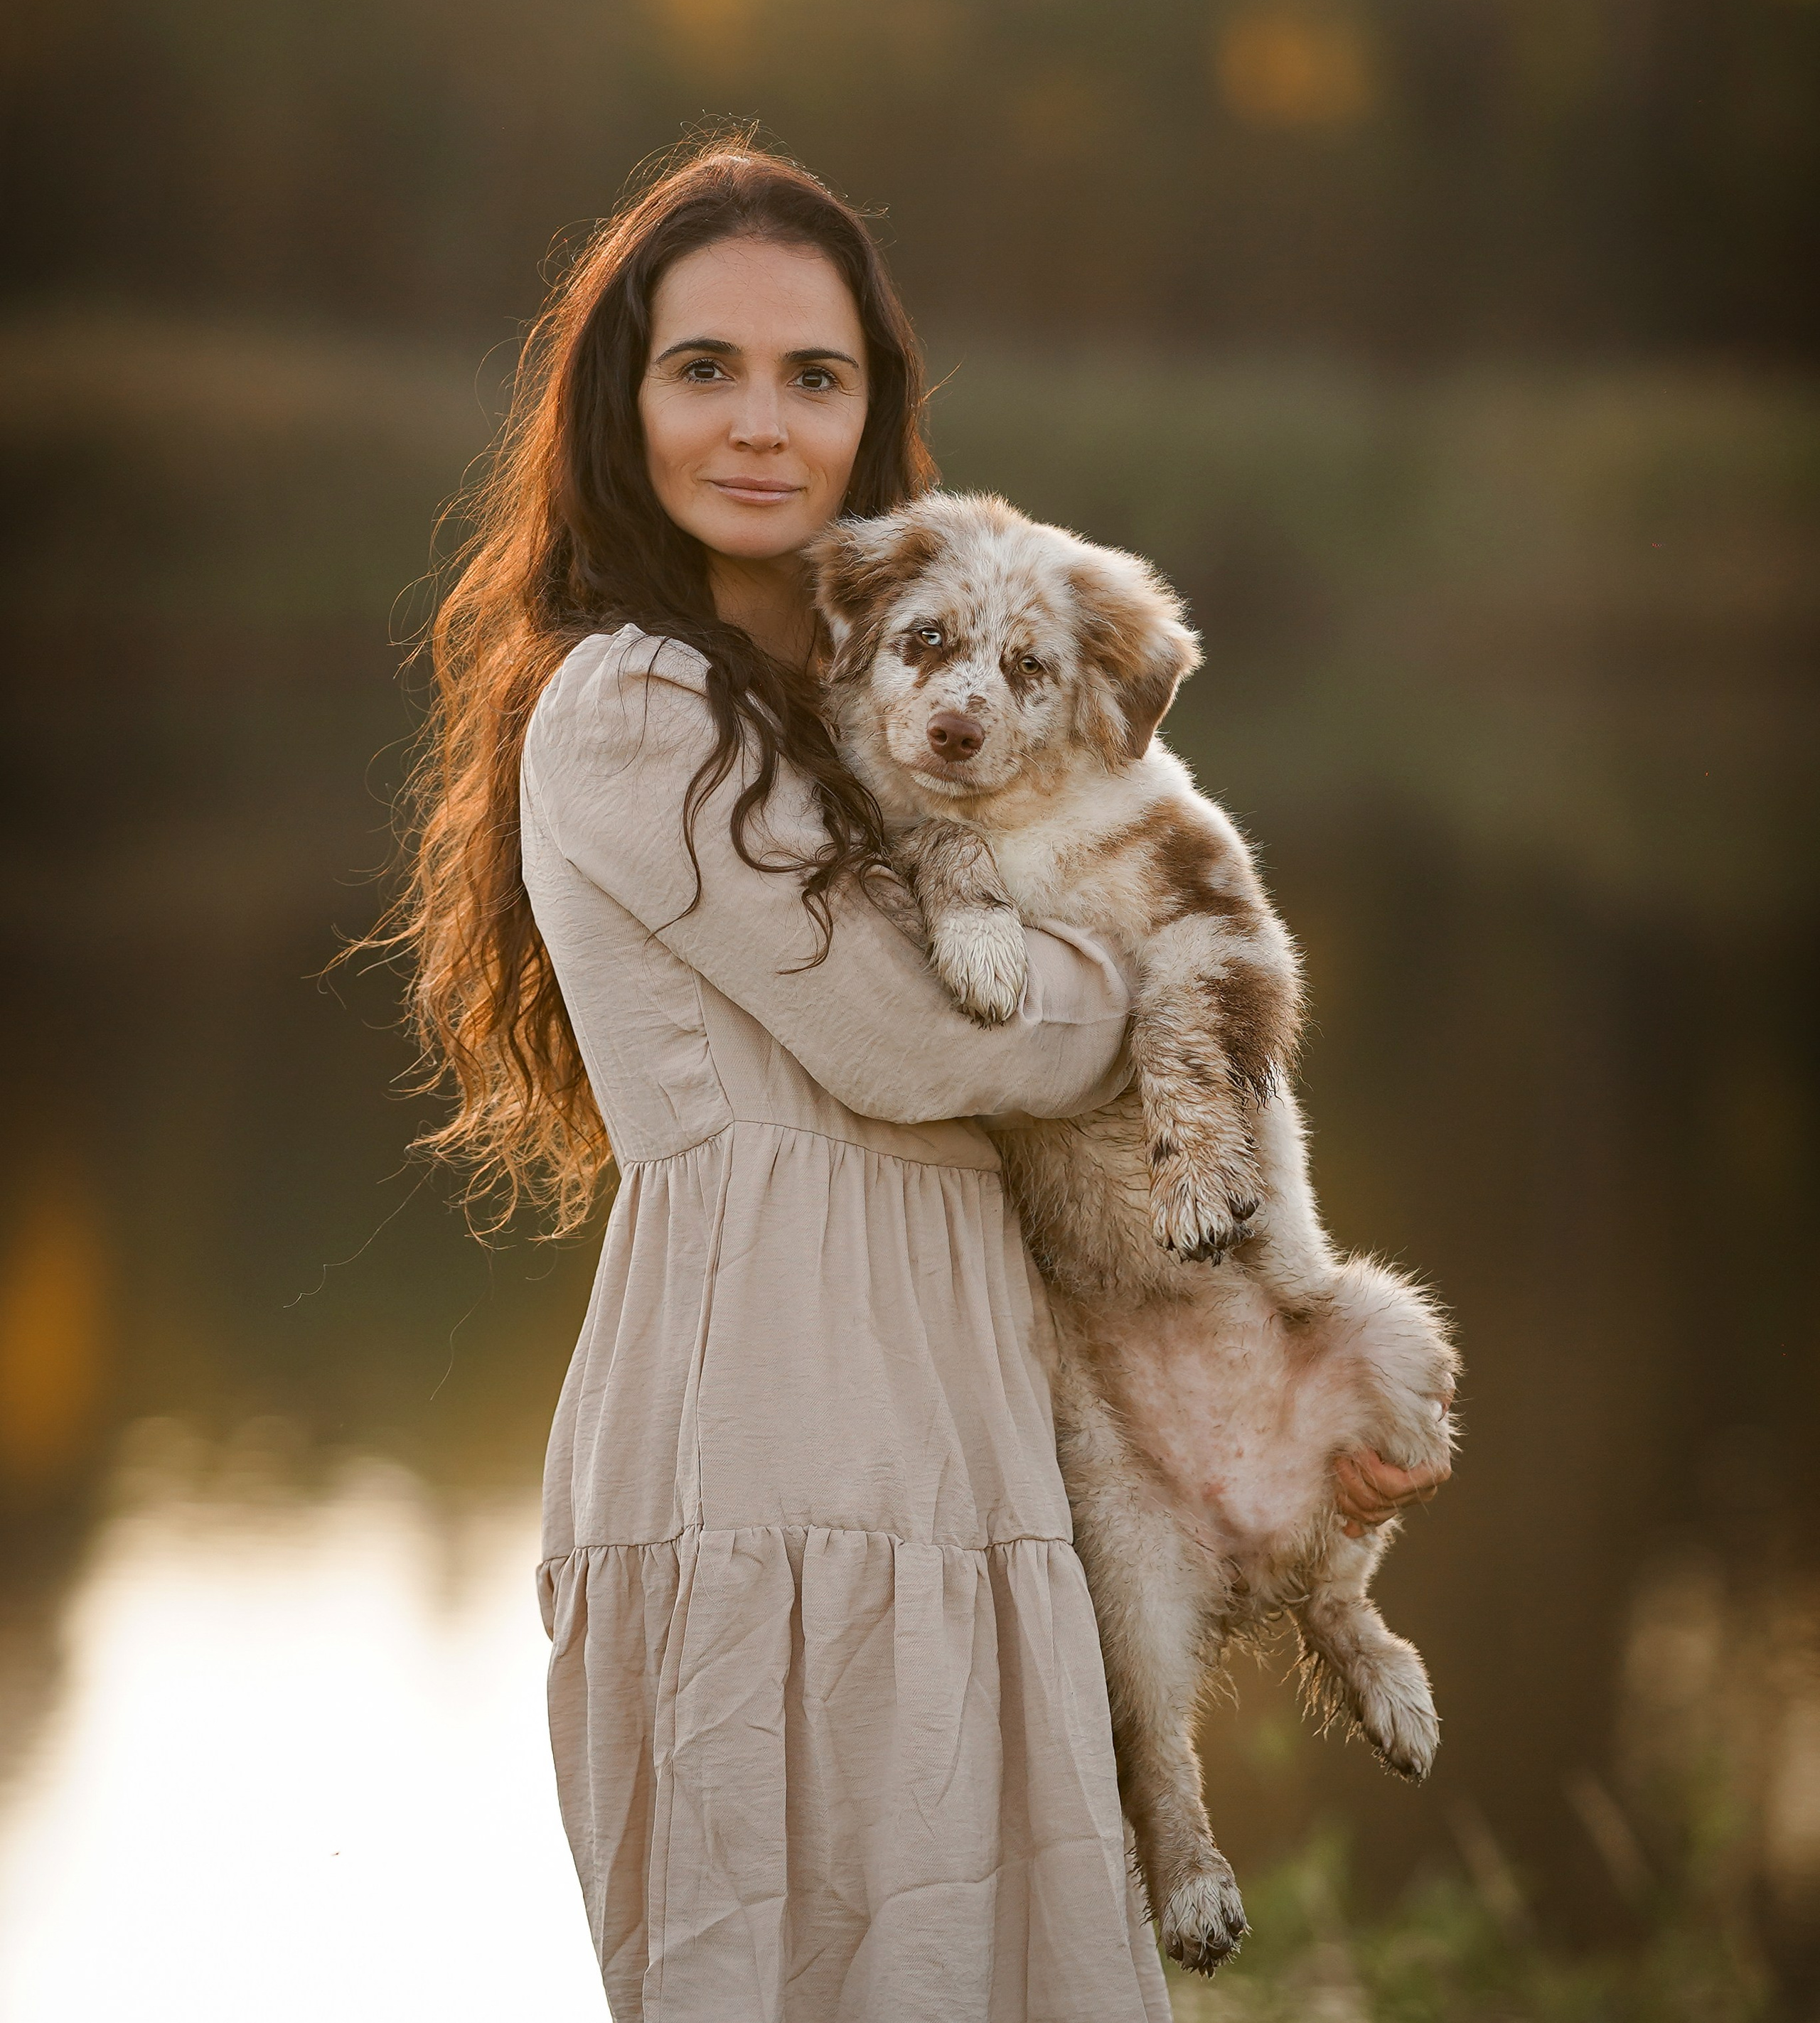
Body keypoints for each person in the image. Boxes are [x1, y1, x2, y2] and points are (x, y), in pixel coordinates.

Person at [395, 139, 1435, 2019]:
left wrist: (1265, 1425)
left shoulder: (871, 705)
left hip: (965, 1431)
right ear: (619, 405)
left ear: (880, 416)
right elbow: (924, 1039)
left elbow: (1065, 1097)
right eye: (701, 367)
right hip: (773, 1447)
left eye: (818, 375)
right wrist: (1119, 974)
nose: (761, 424)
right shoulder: (634, 704)